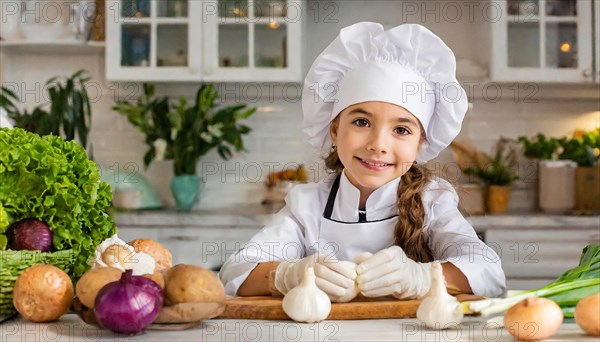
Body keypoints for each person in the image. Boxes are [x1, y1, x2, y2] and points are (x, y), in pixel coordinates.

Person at [219, 22, 506, 301]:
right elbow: (235, 273)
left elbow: (489, 272)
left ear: (421, 143)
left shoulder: (433, 201)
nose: (378, 145)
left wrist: (421, 278)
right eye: (361, 121)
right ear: (334, 129)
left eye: (402, 130)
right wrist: (289, 275)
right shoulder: (308, 204)